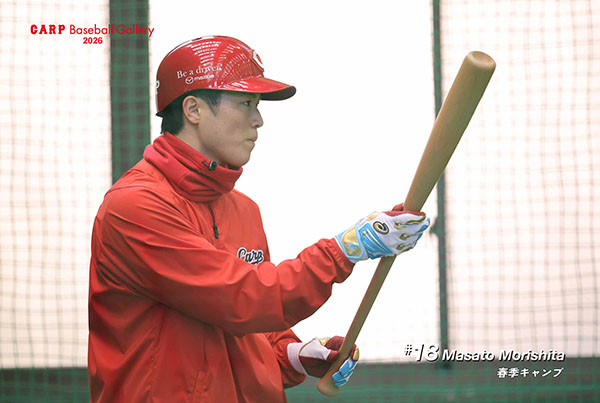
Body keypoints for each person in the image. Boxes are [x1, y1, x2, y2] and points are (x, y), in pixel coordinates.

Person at [87, 35, 430, 402]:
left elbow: (250, 331)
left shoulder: (243, 209)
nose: (259, 120)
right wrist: (347, 248)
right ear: (193, 110)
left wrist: (294, 355)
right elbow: (242, 299)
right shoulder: (136, 206)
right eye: (246, 103)